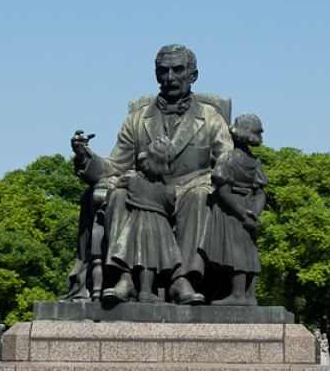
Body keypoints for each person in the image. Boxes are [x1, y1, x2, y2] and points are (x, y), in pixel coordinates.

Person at [71, 44, 233, 304]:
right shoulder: (137, 120)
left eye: (178, 70)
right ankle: (126, 278)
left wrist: (204, 182)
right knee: (121, 194)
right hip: (148, 192)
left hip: (191, 191)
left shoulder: (212, 119)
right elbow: (116, 165)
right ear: (156, 75)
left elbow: (225, 166)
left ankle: (183, 280)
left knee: (201, 197)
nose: (170, 77)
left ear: (193, 75)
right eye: (164, 71)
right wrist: (84, 156)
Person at [103, 136, 181, 303]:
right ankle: (145, 290)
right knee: (149, 258)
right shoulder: (167, 189)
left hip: (135, 222)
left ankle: (127, 280)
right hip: (159, 226)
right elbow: (170, 208)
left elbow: (115, 187)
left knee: (130, 252)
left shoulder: (131, 178)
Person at [203, 113, 267, 306]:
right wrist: (254, 212)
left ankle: (238, 294)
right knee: (250, 249)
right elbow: (261, 192)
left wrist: (241, 212)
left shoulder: (227, 158)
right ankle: (250, 295)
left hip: (232, 208)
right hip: (249, 205)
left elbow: (223, 191)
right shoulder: (255, 162)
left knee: (236, 250)